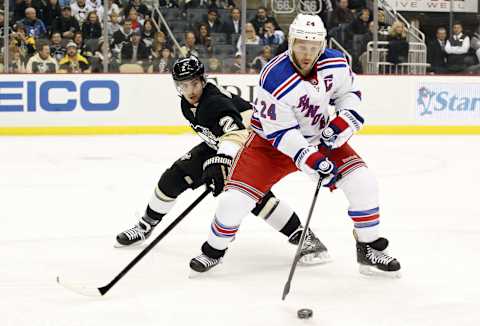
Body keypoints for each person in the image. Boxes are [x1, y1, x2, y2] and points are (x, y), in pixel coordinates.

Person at [189, 14, 401, 276]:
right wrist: (312, 160)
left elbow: (350, 94)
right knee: (232, 202)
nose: (307, 53)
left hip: (319, 139)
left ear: (322, 45)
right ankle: (213, 251)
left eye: (313, 47)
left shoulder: (335, 62)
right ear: (291, 42)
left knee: (363, 182)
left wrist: (343, 122)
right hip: (268, 146)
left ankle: (369, 248)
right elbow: (281, 134)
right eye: (302, 45)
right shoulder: (274, 76)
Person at [115, 55, 330, 266]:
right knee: (174, 177)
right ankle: (145, 226)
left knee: (253, 197)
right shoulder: (187, 103)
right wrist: (217, 158)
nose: (189, 91)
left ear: (203, 81)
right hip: (218, 146)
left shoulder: (215, 103)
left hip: (252, 146)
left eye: (194, 84)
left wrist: (222, 161)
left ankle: (304, 236)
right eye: (183, 85)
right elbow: (219, 136)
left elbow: (237, 133)